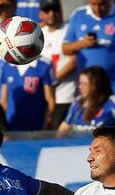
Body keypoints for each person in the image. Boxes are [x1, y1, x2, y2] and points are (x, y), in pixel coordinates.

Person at [62, 0, 115, 87]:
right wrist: (82, 44)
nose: (97, 9)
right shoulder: (78, 15)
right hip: (87, 86)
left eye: (102, 4)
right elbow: (65, 49)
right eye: (93, 4)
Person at [59, 66, 115, 131]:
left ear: (96, 85)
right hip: (77, 142)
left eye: (85, 84)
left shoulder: (110, 101)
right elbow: (64, 126)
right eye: (80, 83)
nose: (80, 87)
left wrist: (109, 137)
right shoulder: (77, 102)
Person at [39, 0, 77, 128]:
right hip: (44, 98)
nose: (51, 14)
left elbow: (74, 61)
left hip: (66, 95)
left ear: (61, 11)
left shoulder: (69, 29)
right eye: (47, 10)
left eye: (55, 10)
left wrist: (51, 81)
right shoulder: (38, 33)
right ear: (40, 14)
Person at [0, 56, 56, 131]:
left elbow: (50, 99)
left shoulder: (44, 64)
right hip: (12, 124)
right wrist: (2, 126)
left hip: (37, 125)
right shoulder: (6, 65)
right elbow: (3, 100)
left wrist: (46, 124)